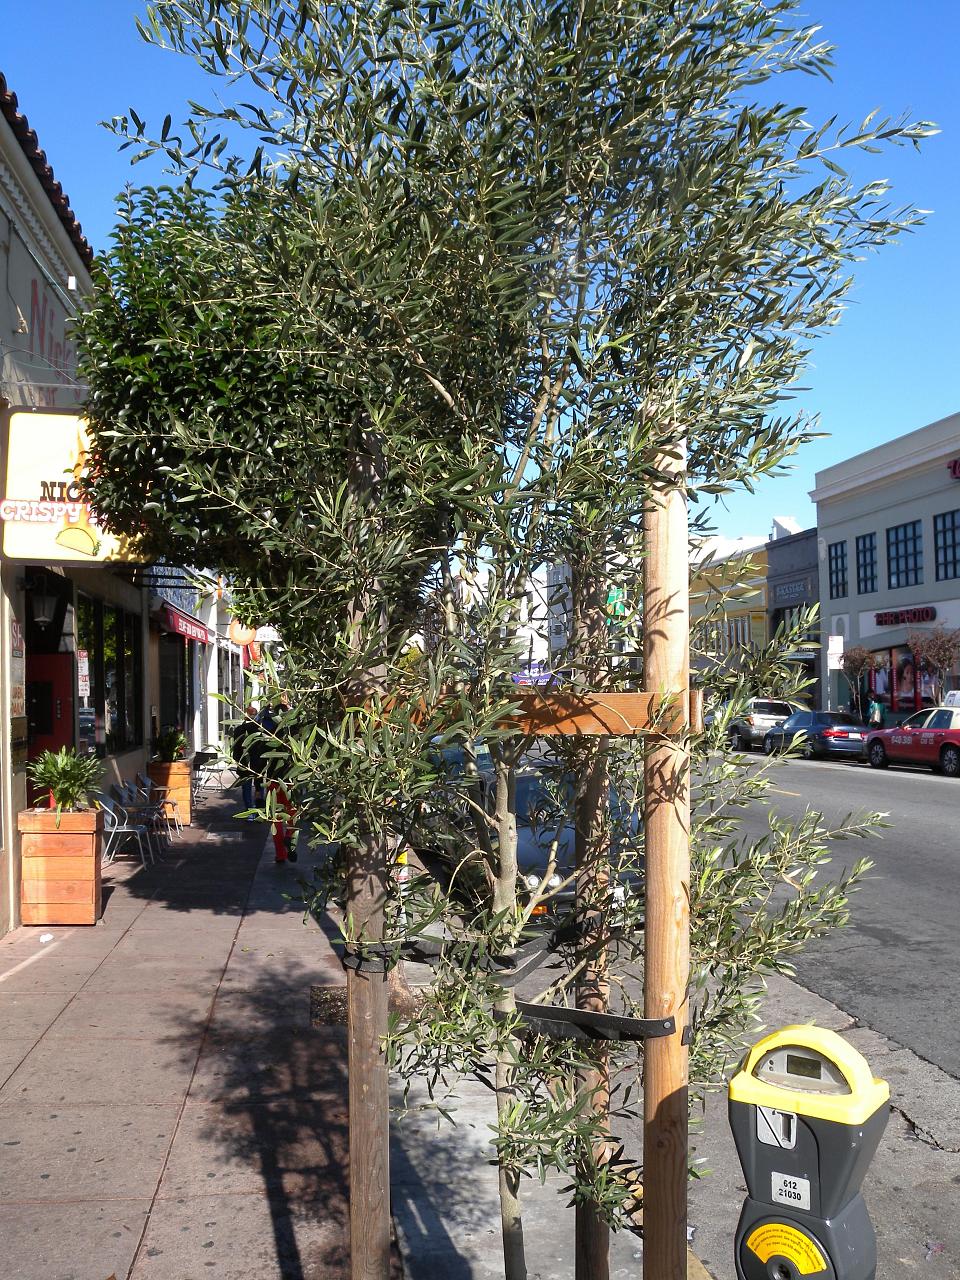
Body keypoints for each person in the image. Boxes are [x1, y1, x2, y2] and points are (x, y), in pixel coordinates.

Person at [261, 704, 298, 864]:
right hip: (290, 780)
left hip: (273, 780)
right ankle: (290, 838)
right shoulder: (293, 730)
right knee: (293, 815)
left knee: (276, 820)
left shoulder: (267, 729)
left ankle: (280, 854)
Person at [230, 705, 260, 818]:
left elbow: (236, 748)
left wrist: (238, 761)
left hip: (244, 764)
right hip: (257, 763)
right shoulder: (259, 730)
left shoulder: (239, 730)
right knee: (258, 787)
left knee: (246, 788)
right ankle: (258, 811)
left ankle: (249, 811)